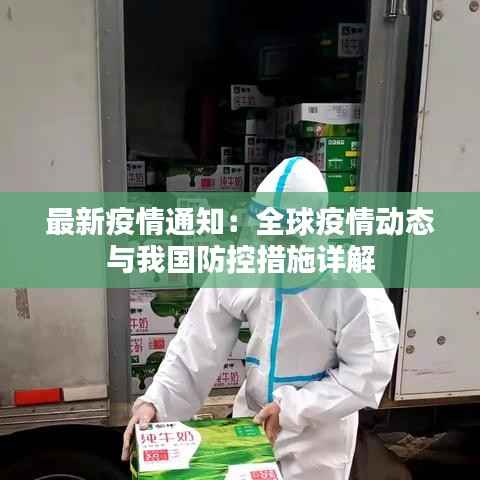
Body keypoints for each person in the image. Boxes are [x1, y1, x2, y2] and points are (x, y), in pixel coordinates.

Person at [122, 157, 400, 480]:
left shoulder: (353, 288)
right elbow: (196, 344)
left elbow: (366, 373)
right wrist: (156, 403)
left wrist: (294, 408)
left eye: (286, 238)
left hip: (318, 440)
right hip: (252, 428)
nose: (273, 247)